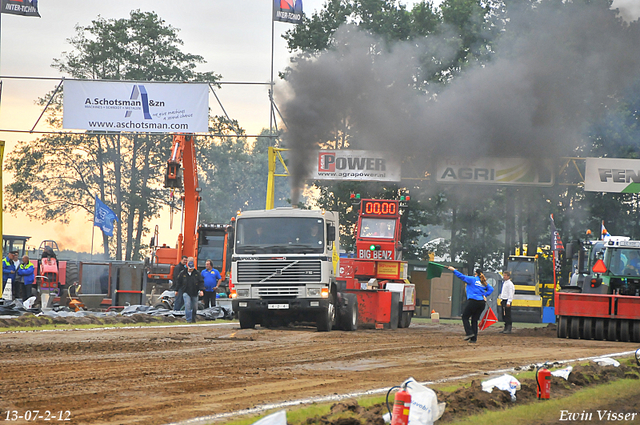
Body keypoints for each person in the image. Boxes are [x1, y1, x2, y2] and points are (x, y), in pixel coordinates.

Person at [448, 266, 494, 343]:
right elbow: (491, 289)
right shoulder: (483, 282)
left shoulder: (473, 279)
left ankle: (469, 333)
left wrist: (454, 270)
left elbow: (462, 276)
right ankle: (474, 339)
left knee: (465, 317)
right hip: (482, 303)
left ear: (475, 273)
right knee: (474, 320)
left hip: (473, 301)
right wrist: (485, 295)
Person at [175, 256, 204, 323]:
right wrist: (176, 290)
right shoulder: (182, 273)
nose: (191, 270)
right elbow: (178, 282)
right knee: (187, 305)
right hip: (186, 292)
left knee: (194, 307)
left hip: (194, 292)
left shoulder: (197, 273)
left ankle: (193, 319)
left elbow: (201, 282)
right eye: (190, 269)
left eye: (192, 269)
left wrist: (201, 290)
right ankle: (189, 320)